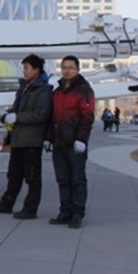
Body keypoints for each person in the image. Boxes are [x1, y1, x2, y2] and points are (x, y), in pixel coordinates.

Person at [0, 54, 52, 219]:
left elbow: (41, 114)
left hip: (31, 140)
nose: (24, 71)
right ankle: (7, 203)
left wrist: (17, 117)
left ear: (37, 70)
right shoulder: (24, 88)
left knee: (32, 177)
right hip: (18, 139)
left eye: (27, 68)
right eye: (24, 68)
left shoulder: (43, 90)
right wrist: (7, 115)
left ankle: (30, 209)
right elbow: (18, 109)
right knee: (14, 174)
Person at [46, 55, 95, 229]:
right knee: (63, 179)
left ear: (77, 69)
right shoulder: (57, 91)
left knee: (77, 179)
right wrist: (49, 138)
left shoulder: (83, 90)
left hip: (75, 144)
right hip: (59, 143)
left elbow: (87, 117)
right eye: (64, 67)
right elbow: (52, 117)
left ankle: (77, 213)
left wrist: (81, 139)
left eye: (70, 67)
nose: (67, 70)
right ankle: (65, 211)